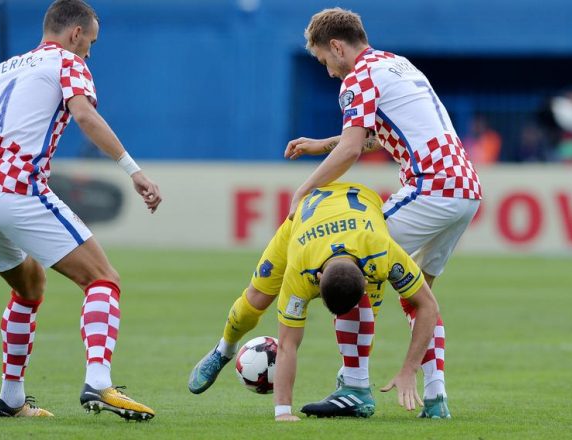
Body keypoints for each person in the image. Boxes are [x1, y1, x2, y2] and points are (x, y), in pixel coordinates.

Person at [0, 0, 161, 421]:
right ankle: (99, 381)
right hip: (18, 189)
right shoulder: (66, 62)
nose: (89, 52)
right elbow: (86, 117)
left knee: (29, 287)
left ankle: (11, 398)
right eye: (89, 43)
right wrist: (134, 170)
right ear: (75, 34)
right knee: (103, 279)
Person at [284, 8, 482, 418]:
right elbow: (379, 134)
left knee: (349, 263)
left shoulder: (357, 77)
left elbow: (354, 149)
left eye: (324, 60)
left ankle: (355, 389)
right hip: (466, 190)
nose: (328, 72)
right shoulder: (395, 63)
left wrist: (304, 188)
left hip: (432, 187)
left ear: (337, 47)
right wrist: (322, 144)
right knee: (419, 295)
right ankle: (436, 398)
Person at [188, 182, 440, 422]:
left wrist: (409, 369)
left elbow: (428, 305)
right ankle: (224, 349)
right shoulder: (299, 268)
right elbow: (287, 344)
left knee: (364, 320)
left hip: (361, 216)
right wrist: (282, 412)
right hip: (302, 225)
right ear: (317, 280)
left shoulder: (383, 250)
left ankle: (355, 385)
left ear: (365, 281)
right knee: (256, 299)